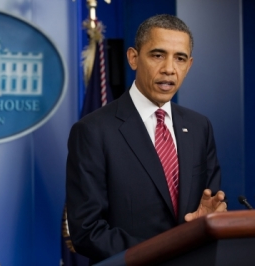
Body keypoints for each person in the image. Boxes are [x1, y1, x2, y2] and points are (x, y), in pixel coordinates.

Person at [66, 14, 227, 264]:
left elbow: (209, 204)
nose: (169, 69)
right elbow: (87, 231)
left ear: (189, 65)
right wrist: (168, 250)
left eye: (180, 58)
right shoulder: (93, 131)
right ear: (133, 58)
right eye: (157, 55)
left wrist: (209, 221)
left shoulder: (199, 127)